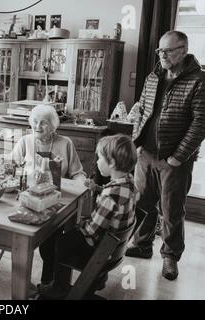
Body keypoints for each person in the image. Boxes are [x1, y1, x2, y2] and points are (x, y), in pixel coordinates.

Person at [125, 31, 205, 281]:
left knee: (171, 210)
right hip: (145, 153)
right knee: (142, 203)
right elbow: (140, 109)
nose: (162, 55)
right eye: (160, 50)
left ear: (183, 49)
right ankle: (142, 244)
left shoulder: (199, 80)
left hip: (173, 159)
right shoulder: (153, 76)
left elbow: (200, 124)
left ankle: (170, 256)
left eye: (168, 50)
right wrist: (137, 141)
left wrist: (178, 157)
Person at [0, 104, 87, 291]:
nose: (37, 126)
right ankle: (31, 284)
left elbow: (78, 173)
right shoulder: (26, 141)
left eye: (44, 123)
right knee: (23, 231)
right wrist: (1, 160)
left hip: (55, 200)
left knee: (51, 238)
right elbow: (10, 162)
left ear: (54, 126)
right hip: (27, 200)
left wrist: (81, 184)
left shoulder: (65, 143)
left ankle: (49, 282)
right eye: (35, 122)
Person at [43, 134, 138, 299]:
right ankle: (99, 279)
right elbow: (116, 200)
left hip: (98, 249)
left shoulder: (110, 196)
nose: (97, 161)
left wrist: (79, 223)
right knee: (70, 232)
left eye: (99, 157)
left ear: (112, 163)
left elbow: (91, 231)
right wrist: (98, 189)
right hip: (114, 248)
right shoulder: (129, 183)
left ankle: (59, 287)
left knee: (61, 242)